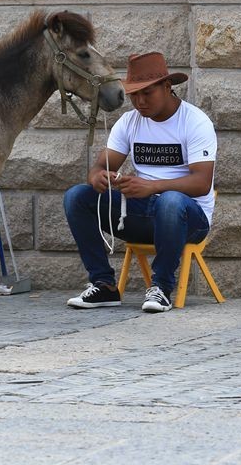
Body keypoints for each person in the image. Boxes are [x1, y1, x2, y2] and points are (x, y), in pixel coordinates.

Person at [63, 52, 216, 313]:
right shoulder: (129, 122)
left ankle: (161, 288)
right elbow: (100, 166)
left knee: (169, 201)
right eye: (134, 94)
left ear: (168, 88)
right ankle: (104, 285)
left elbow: (202, 183)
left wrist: (153, 187)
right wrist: (98, 177)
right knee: (77, 196)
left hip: (188, 220)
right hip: (140, 215)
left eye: (147, 93)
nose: (140, 101)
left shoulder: (195, 121)